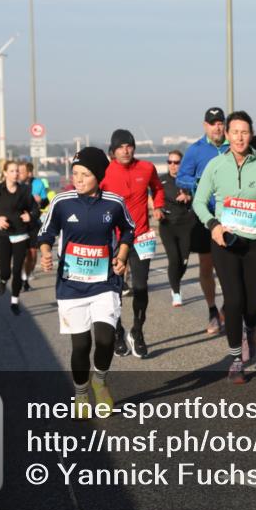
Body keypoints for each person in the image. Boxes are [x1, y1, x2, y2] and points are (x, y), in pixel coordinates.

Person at [38, 147, 134, 417]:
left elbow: (129, 229)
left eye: (85, 174)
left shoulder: (113, 203)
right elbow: (46, 233)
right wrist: (46, 253)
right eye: (75, 173)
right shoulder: (62, 201)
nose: (78, 179)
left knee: (105, 339)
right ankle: (81, 392)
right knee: (81, 345)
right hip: (71, 286)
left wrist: (122, 255)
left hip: (105, 283)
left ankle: (100, 382)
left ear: (99, 176)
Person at [194, 111, 256, 384]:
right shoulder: (216, 165)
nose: (240, 137)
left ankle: (252, 328)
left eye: (245, 132)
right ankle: (235, 359)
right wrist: (214, 225)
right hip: (226, 242)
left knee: (252, 305)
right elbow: (199, 202)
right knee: (233, 302)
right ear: (227, 134)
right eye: (234, 132)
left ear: (251, 134)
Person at [100, 129, 166, 359]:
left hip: (140, 237)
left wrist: (157, 205)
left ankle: (137, 332)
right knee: (114, 290)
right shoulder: (105, 173)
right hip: (114, 239)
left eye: (129, 146)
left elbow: (158, 188)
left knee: (141, 287)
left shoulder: (146, 168)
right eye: (120, 147)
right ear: (113, 151)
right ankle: (118, 333)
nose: (125, 150)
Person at [176, 107, 230, 335]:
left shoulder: (234, 146)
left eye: (220, 122)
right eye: (212, 123)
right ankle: (211, 310)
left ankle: (228, 309)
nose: (217, 126)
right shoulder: (196, 150)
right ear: (205, 125)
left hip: (231, 216)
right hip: (204, 218)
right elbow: (181, 177)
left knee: (228, 267)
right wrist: (198, 183)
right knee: (207, 266)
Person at [0, 160, 40, 314]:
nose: (16, 174)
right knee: (6, 271)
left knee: (17, 270)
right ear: (5, 173)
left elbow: (35, 209)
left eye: (17, 171)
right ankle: (2, 280)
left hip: (20, 234)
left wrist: (31, 216)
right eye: (12, 171)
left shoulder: (25, 190)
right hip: (2, 235)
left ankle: (14, 301)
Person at [158, 149, 195, 307]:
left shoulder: (189, 181)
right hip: (167, 225)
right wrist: (156, 209)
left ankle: (174, 281)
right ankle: (176, 291)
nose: (173, 165)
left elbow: (201, 195)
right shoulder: (161, 181)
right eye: (170, 162)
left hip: (186, 224)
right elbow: (152, 197)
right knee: (174, 259)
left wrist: (188, 197)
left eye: (176, 162)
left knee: (183, 262)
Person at [18, 161, 48, 291]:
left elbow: (46, 201)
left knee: (33, 254)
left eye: (21, 172)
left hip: (33, 222)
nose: (18, 174)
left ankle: (27, 274)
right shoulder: (15, 184)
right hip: (18, 223)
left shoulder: (38, 183)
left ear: (29, 173)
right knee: (22, 254)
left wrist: (40, 201)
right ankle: (23, 278)